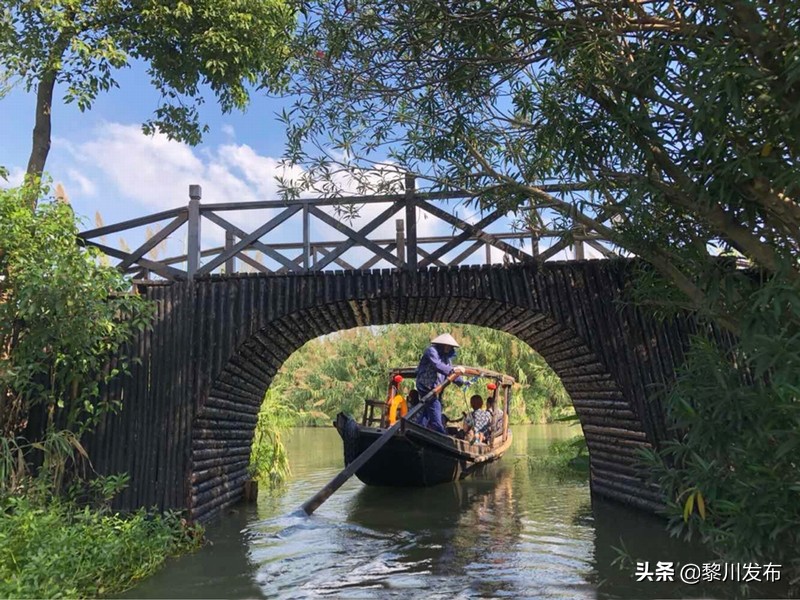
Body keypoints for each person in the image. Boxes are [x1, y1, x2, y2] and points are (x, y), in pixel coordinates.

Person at [415, 333, 465, 433]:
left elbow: (451, 373)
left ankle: (418, 428)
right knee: (435, 406)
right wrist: (454, 369)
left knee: (426, 411)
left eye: (450, 346)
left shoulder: (446, 358)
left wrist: (462, 382)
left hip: (435, 388)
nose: (448, 347)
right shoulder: (431, 351)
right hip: (425, 385)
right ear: (441, 344)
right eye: (446, 345)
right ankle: (440, 432)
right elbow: (438, 365)